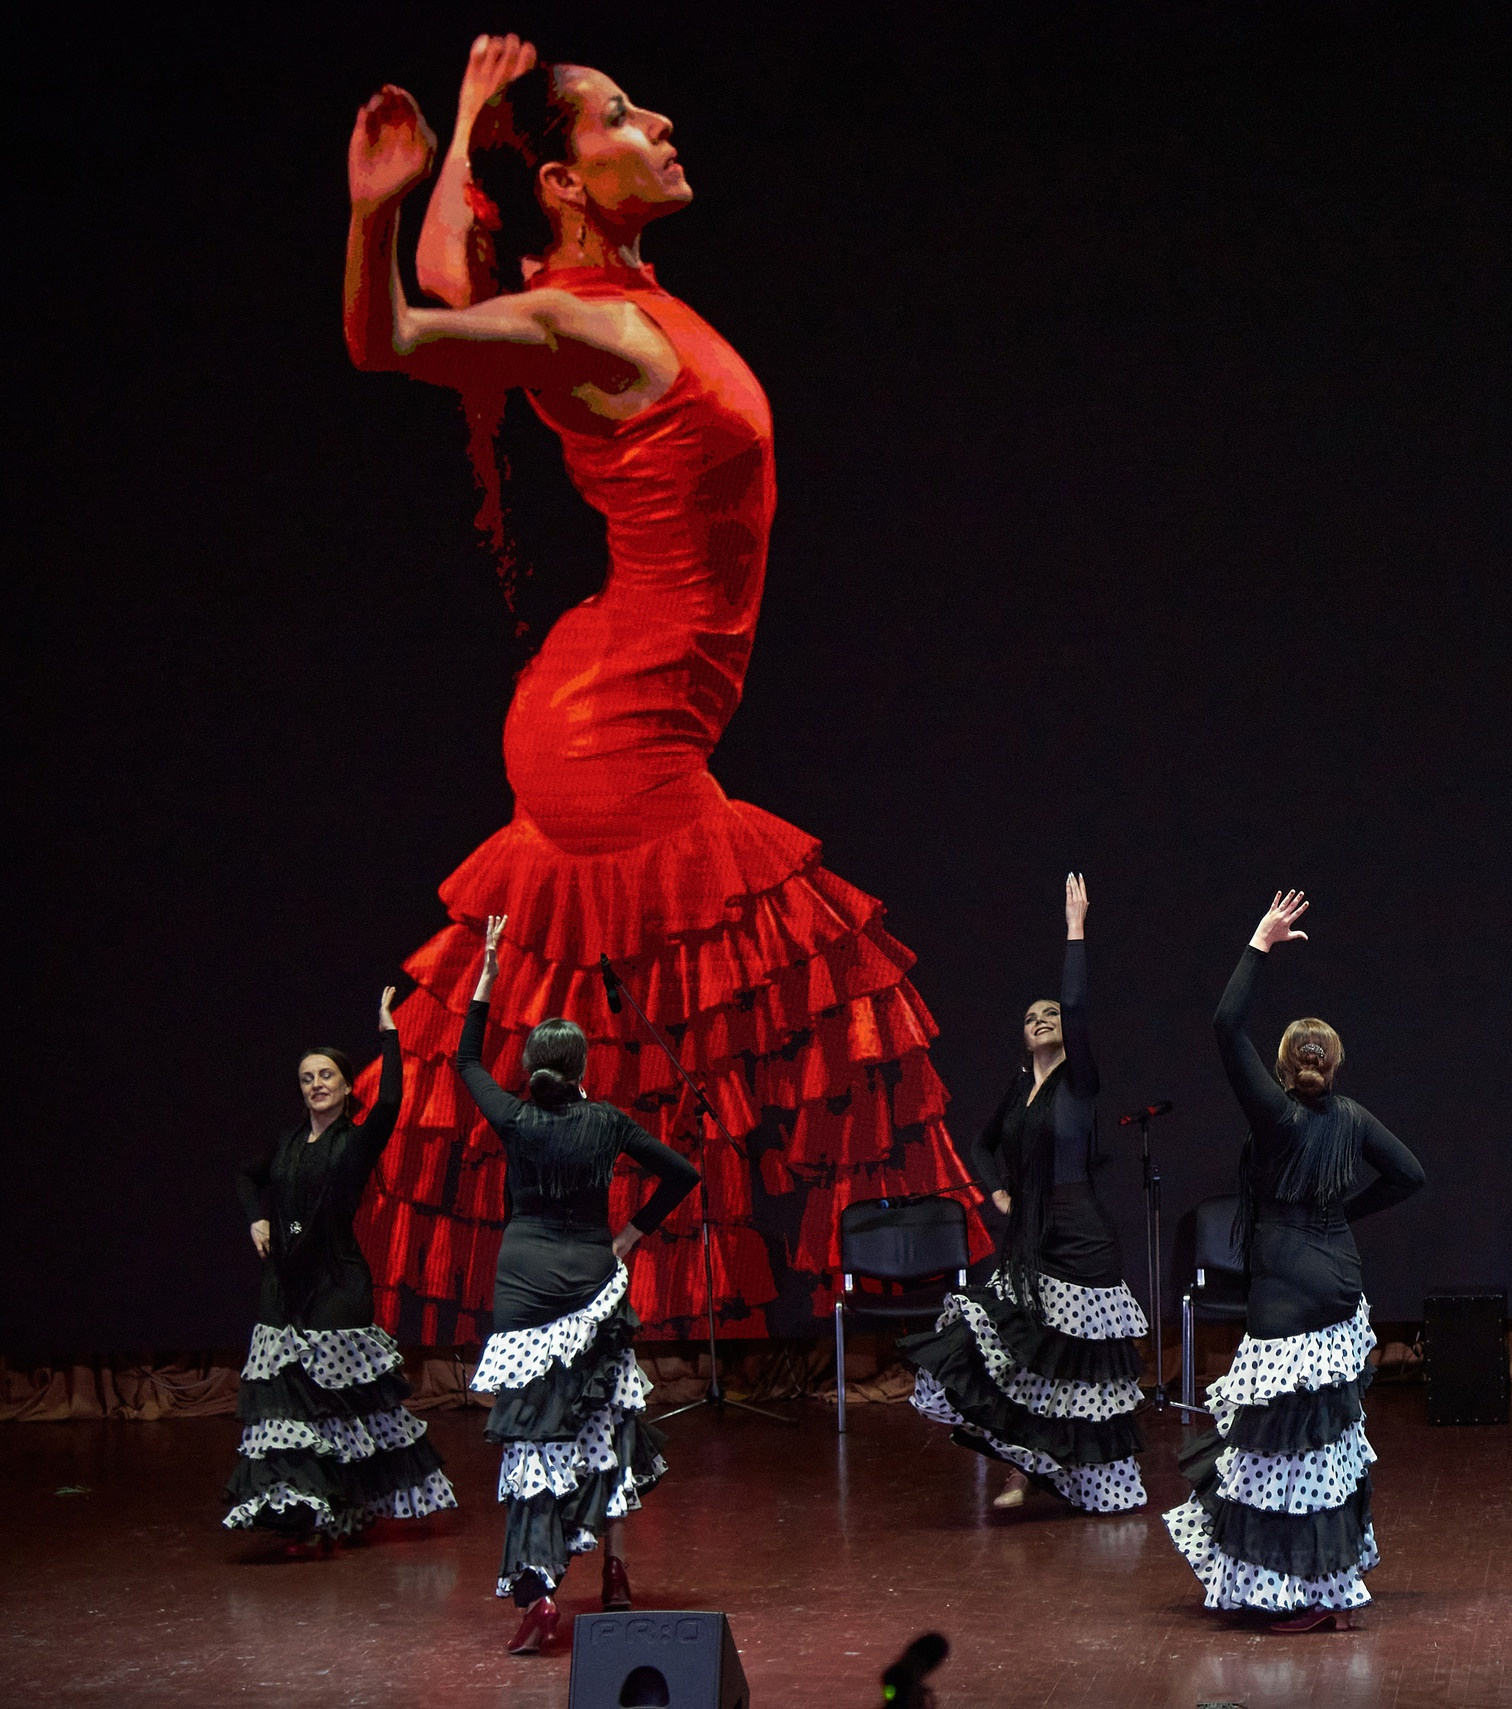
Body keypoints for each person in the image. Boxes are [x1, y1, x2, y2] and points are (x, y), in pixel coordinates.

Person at [335, 36, 986, 1347]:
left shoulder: (591, 295)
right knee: (834, 995)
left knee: (652, 1048)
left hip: (616, 693)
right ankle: (969, 1329)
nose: (664, 122)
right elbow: (399, 333)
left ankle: (592, 1327)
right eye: (624, 116)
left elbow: (459, 279)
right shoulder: (579, 318)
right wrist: (375, 211)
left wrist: (467, 124)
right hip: (613, 729)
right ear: (571, 184)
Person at [1164, 891, 1426, 1631]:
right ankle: (1330, 1583)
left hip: (1283, 1291)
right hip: (1340, 1289)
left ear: (1283, 1066)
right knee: (1329, 1446)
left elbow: (1223, 1024)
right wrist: (1345, 1214)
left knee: (1278, 1454)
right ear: (1334, 1065)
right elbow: (1412, 1174)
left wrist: (1258, 942)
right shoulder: (1352, 1118)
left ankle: (1301, 1592)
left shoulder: (1276, 1118)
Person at [459, 915, 703, 1654]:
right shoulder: (607, 1121)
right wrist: (634, 1231)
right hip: (594, 1287)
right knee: (606, 1426)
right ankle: (615, 1569)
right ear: (583, 1064)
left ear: (534, 1063)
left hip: (525, 1288)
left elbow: (466, 1062)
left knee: (533, 1436)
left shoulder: (517, 1116)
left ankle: (537, 1589)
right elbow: (684, 1174)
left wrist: (488, 977)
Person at [905, 874, 1148, 1512]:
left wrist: (1075, 931)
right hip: (1031, 1238)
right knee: (1016, 1353)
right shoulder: (1020, 1090)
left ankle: (1074, 1475)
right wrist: (997, 1192)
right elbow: (982, 1146)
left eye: (1051, 1015)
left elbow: (1077, 1001)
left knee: (1077, 1367)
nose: (1042, 1020)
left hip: (1084, 1239)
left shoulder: (1080, 1081)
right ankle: (1022, 1464)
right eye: (1031, 1016)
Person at [225, 988, 458, 1552]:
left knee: (333, 1400)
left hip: (336, 1282)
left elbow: (393, 1104)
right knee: (285, 1395)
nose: (316, 1084)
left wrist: (389, 1034)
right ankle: (301, 1506)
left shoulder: (355, 1142)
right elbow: (244, 1177)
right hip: (285, 1282)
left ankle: (338, 1506)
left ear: (346, 1085)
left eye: (326, 1075)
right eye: (307, 1078)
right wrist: (257, 1221)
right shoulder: (285, 1146)